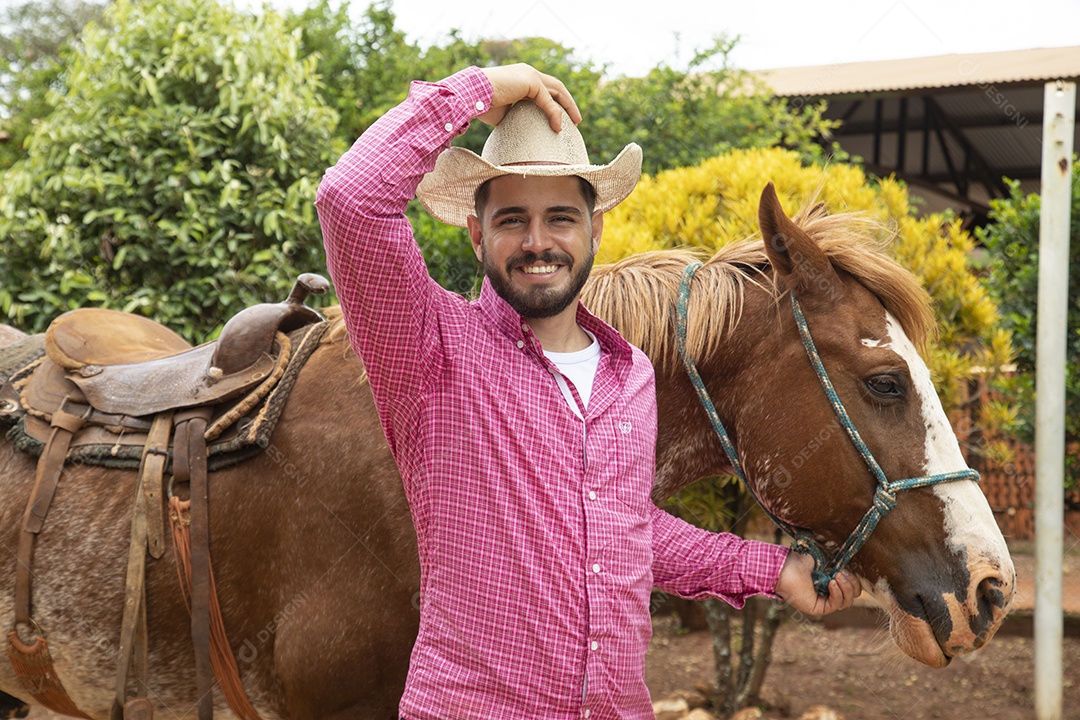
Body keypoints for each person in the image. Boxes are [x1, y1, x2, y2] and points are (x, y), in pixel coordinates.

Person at [316, 63, 860, 720]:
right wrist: (483, 87)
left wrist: (770, 570)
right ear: (474, 231)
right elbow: (350, 199)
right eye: (512, 218)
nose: (538, 242)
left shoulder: (625, 373)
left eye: (562, 218)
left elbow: (622, 531)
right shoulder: (430, 347)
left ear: (595, 229)